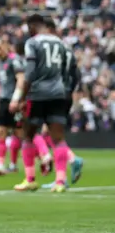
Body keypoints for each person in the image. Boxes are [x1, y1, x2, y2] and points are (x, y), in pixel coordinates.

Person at [14, 14, 70, 193]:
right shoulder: (60, 43)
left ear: (32, 26)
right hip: (58, 93)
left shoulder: (33, 42)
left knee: (28, 135)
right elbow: (66, 71)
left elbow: (29, 73)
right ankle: (60, 182)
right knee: (58, 138)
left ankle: (30, 179)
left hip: (37, 94)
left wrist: (22, 97)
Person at [40, 18, 84, 189]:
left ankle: (70, 164)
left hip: (52, 96)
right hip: (64, 95)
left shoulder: (49, 49)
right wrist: (68, 92)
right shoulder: (66, 49)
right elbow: (76, 74)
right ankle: (63, 173)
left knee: (51, 134)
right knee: (49, 133)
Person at [0, 39, 25, 176]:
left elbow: (21, 79)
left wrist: (16, 99)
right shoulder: (1, 62)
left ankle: (16, 164)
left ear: (7, 46)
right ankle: (0, 166)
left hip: (14, 101)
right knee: (2, 131)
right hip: (4, 101)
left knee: (19, 133)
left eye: (0, 48)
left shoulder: (14, 60)